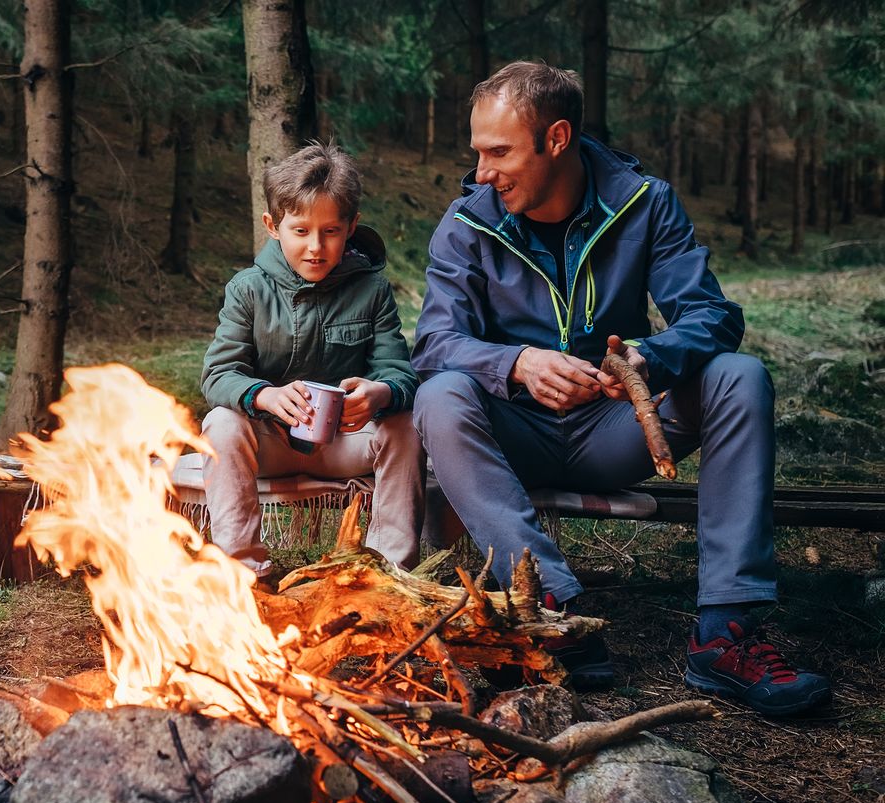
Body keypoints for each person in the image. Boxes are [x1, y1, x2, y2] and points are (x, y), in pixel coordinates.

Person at [412, 61, 831, 716]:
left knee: (739, 378)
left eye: (499, 152)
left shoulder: (644, 202)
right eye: (478, 153)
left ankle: (726, 634)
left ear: (556, 139)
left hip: (617, 432)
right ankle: (552, 605)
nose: (483, 172)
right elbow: (434, 345)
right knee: (439, 396)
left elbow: (714, 317)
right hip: (510, 435)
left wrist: (647, 358)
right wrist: (517, 363)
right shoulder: (468, 224)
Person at [200, 143, 425, 578]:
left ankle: (387, 573)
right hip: (271, 442)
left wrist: (380, 393)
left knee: (405, 424)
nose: (316, 248)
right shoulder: (248, 290)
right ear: (272, 225)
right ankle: (243, 574)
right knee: (220, 424)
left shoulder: (371, 290)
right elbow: (218, 374)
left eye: (331, 231)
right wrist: (264, 397)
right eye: (300, 231)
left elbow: (399, 373)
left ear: (352, 226)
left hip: (347, 441)